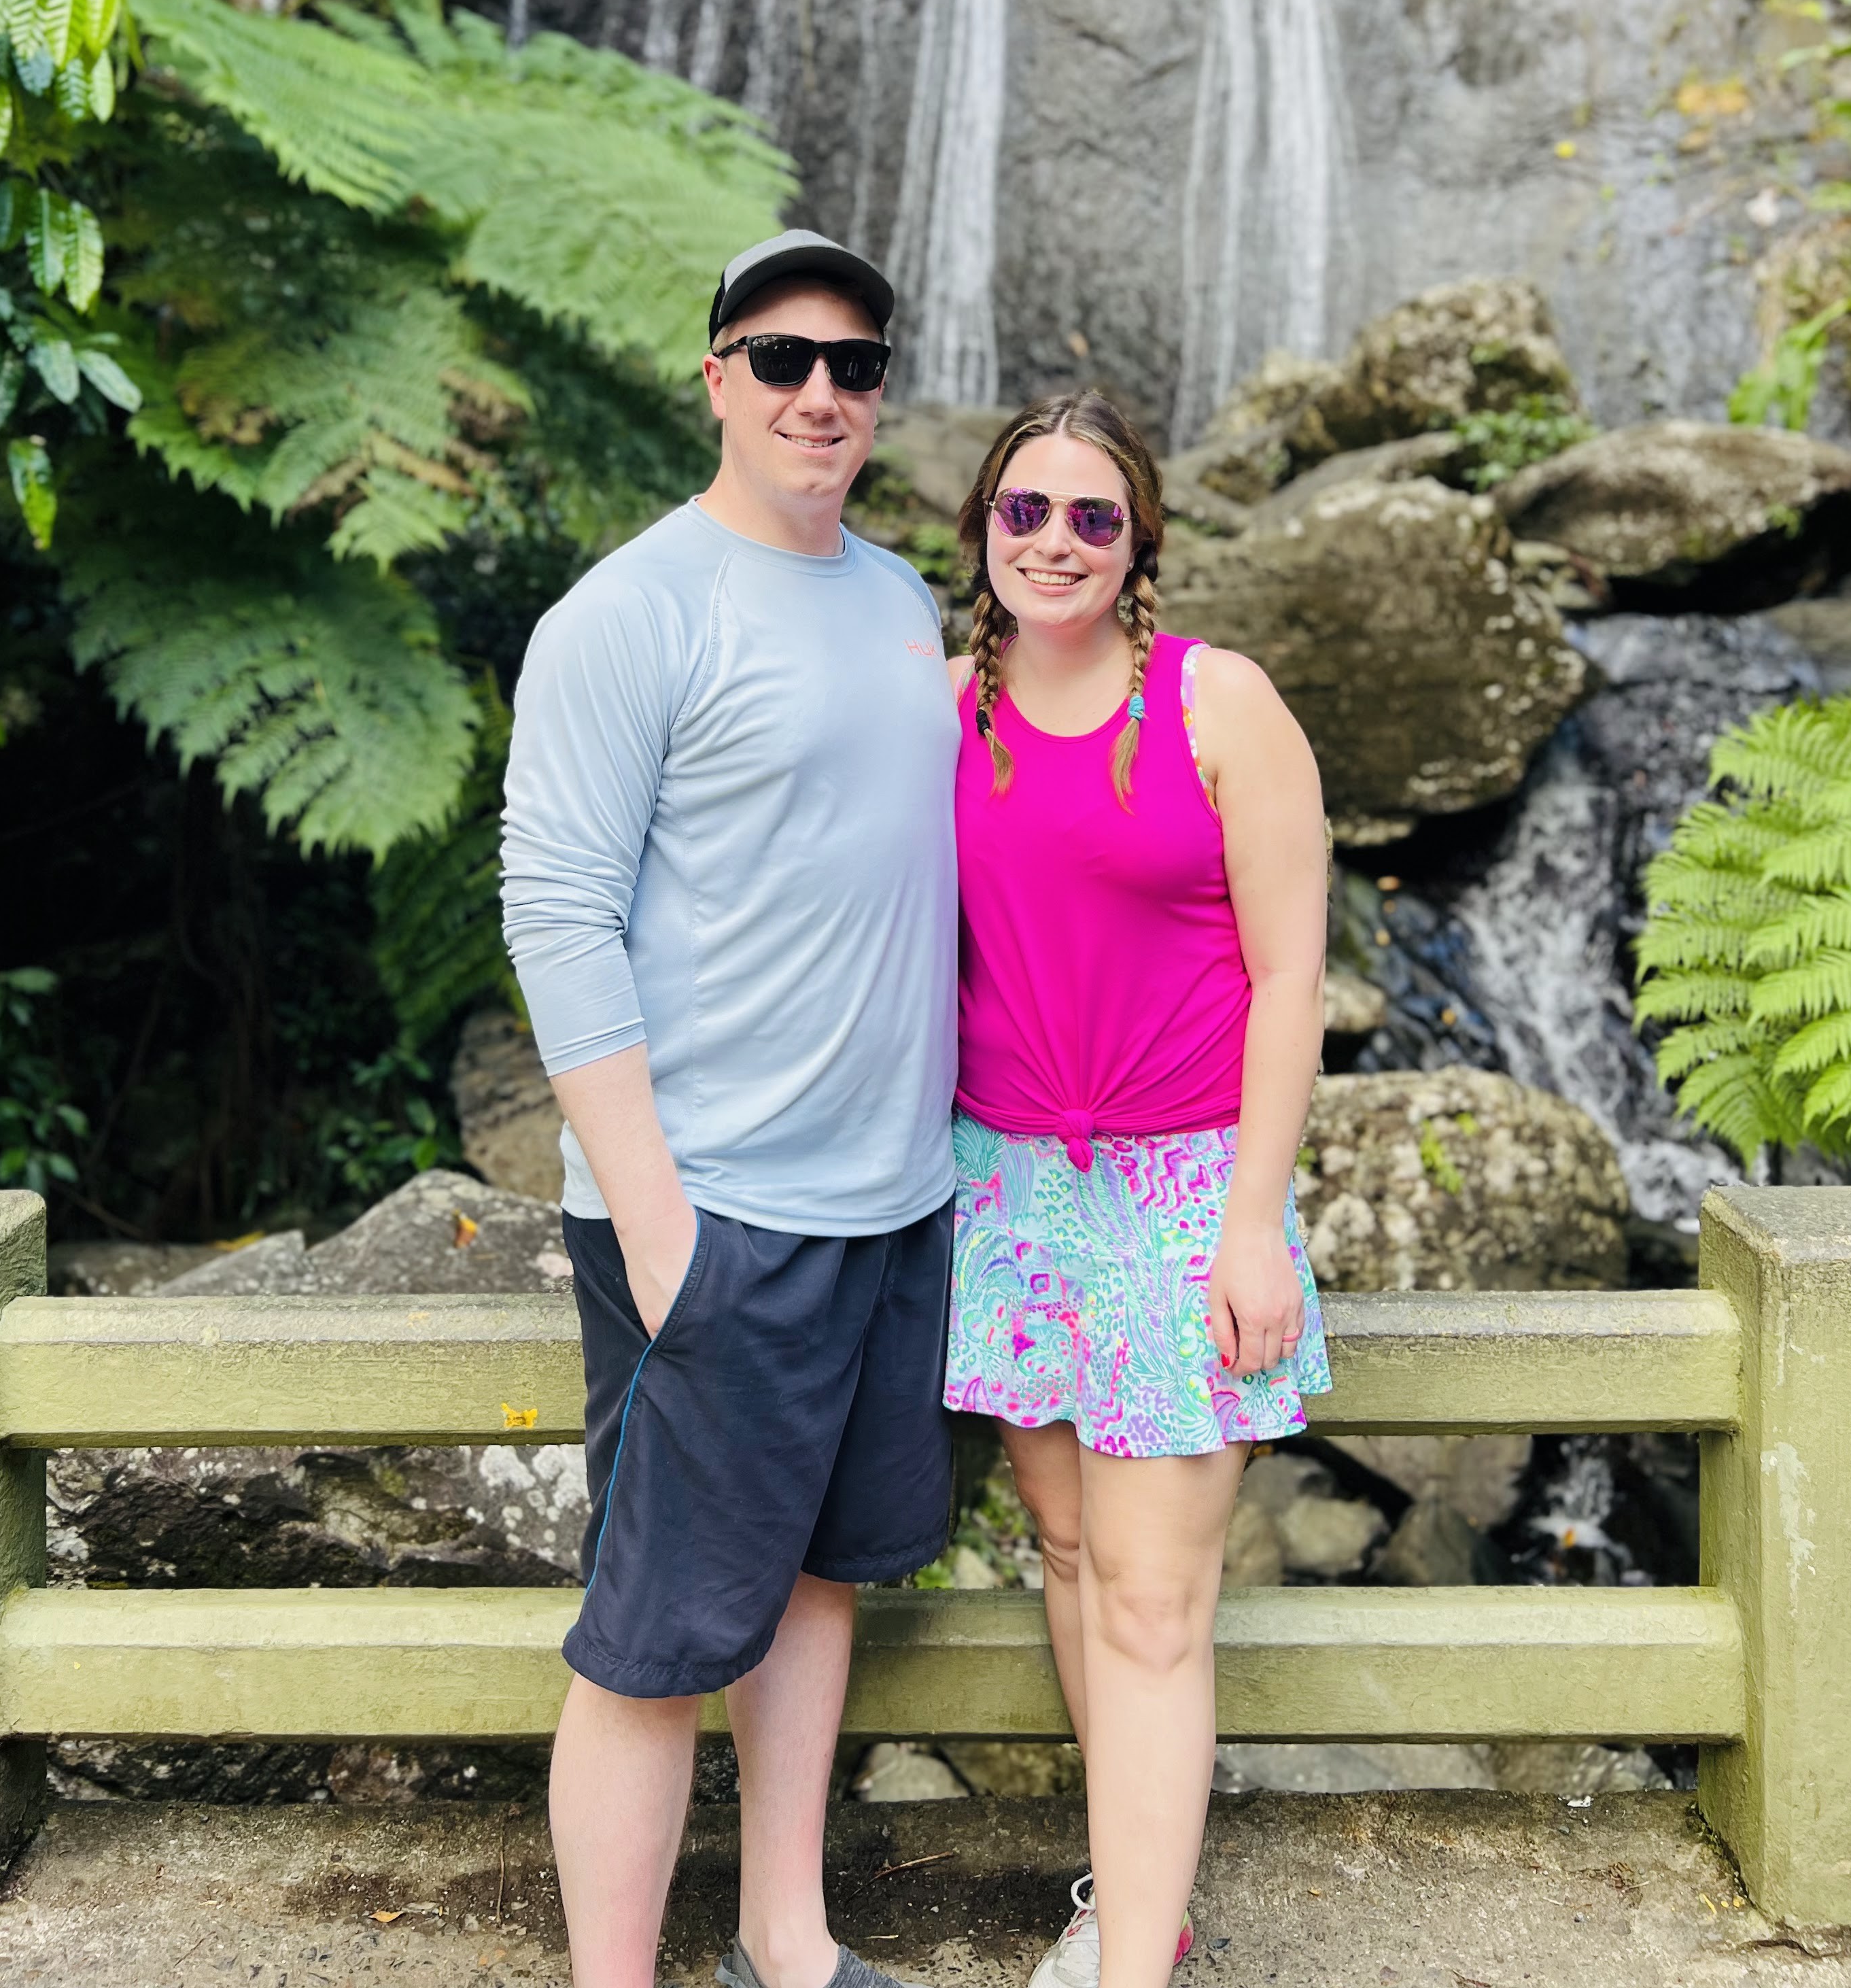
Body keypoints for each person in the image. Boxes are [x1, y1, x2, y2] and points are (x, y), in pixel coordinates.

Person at [501, 228, 959, 1988]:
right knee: (654, 1639)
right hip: (714, 1208)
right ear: (716, 377)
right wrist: (659, 1217)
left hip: (885, 1201)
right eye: (782, 360)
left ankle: (791, 1937)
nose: (821, 394)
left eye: (853, 367)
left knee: (820, 1579)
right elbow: (556, 911)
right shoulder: (632, 611)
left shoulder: (903, 598)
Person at [943, 390, 1333, 1988]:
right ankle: (1132, 1895)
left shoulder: (1217, 705)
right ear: (980, 533)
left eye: (1091, 517)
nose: (1054, 541)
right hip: (1006, 1187)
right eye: (1024, 511)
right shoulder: (936, 708)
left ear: (1140, 543)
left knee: (1160, 1603)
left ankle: (1135, 1971)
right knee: (1076, 1556)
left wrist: (1253, 1219)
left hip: (1183, 1191)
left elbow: (1295, 969)